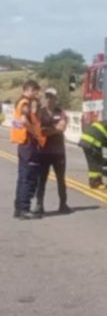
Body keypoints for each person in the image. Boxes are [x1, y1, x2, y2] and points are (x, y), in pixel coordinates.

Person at [11, 80, 45, 220]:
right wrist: (36, 135)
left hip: (23, 145)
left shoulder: (21, 102)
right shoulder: (25, 103)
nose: (37, 94)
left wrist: (38, 104)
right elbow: (25, 121)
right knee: (28, 178)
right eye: (36, 91)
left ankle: (19, 208)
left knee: (23, 177)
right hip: (28, 145)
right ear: (30, 89)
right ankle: (24, 209)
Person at [34, 88, 71, 214]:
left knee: (61, 179)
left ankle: (63, 204)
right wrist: (54, 129)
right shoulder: (40, 112)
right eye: (47, 97)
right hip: (43, 151)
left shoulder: (60, 112)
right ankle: (39, 205)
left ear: (56, 99)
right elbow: (40, 131)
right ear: (45, 98)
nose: (49, 99)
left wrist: (49, 130)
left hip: (58, 152)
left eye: (52, 97)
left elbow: (62, 127)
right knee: (41, 180)